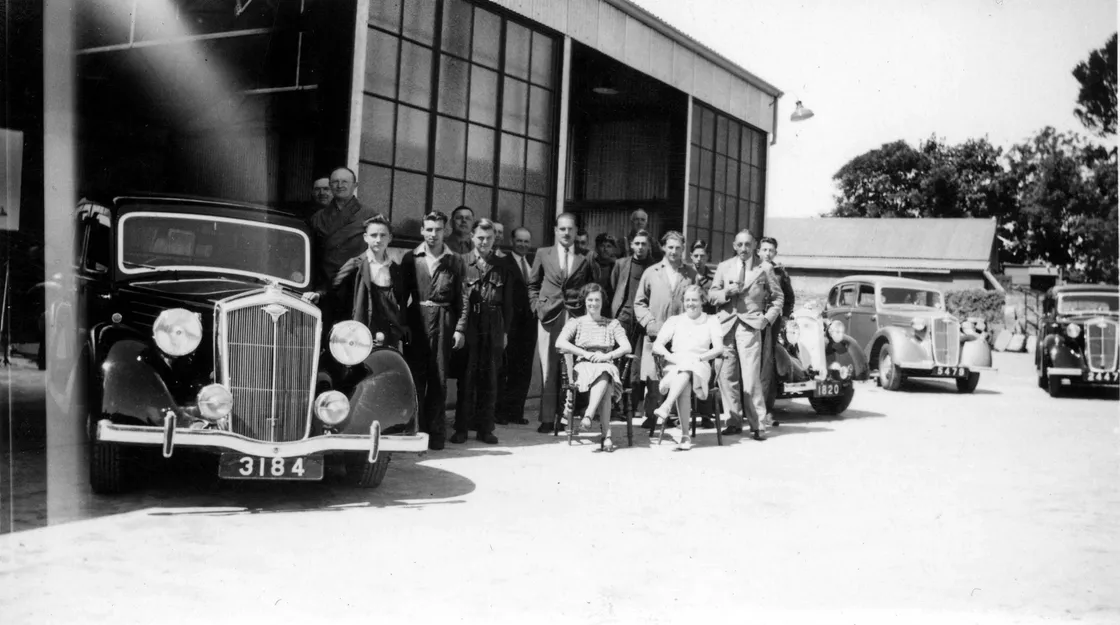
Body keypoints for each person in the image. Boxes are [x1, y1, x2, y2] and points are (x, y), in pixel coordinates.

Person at [708, 230, 784, 440]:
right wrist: (726, 293)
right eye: (740, 245)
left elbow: (778, 298)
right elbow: (711, 295)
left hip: (750, 327)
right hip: (726, 326)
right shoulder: (724, 267)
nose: (744, 249)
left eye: (748, 245)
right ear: (734, 245)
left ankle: (758, 425)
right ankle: (732, 421)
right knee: (727, 376)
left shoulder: (765, 268)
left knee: (751, 378)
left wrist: (766, 319)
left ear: (754, 246)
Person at [402, 211, 468, 451]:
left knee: (439, 378)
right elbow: (401, 296)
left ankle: (436, 432)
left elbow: (463, 297)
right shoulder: (411, 258)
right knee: (416, 378)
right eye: (429, 229)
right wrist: (403, 324)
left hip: (443, 321)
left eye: (438, 229)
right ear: (422, 230)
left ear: (445, 231)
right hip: (417, 321)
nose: (433, 234)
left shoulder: (455, 260)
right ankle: (416, 431)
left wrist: (459, 328)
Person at [528, 212, 595, 434]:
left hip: (574, 317)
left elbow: (592, 287)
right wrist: (537, 307)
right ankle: (547, 418)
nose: (566, 233)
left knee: (571, 368)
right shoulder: (543, 253)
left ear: (576, 232)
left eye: (570, 229)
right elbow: (533, 284)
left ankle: (566, 417)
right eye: (562, 229)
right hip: (549, 316)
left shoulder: (586, 257)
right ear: (556, 231)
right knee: (548, 369)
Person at [303, 215, 409, 349]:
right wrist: (319, 294)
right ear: (365, 237)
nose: (378, 240)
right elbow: (333, 285)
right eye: (373, 235)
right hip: (362, 326)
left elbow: (400, 300)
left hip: (388, 329)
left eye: (383, 235)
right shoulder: (356, 264)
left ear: (390, 238)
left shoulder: (395, 269)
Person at [451, 219, 513, 445]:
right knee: (466, 378)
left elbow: (508, 303)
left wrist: (505, 332)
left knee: (490, 379)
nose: (484, 242)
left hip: (494, 324)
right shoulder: (461, 262)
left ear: (494, 239)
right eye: (480, 237)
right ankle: (461, 428)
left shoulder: (503, 265)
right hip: (470, 324)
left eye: (489, 238)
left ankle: (485, 428)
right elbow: (456, 298)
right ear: (472, 237)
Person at [554, 283, 632, 452]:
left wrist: (607, 356)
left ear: (602, 302)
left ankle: (589, 415)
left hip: (606, 363)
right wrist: (584, 353)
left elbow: (627, 347)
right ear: (585, 301)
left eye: (597, 300)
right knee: (606, 381)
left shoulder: (612, 324)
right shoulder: (577, 322)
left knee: (605, 372)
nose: (593, 304)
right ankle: (606, 436)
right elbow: (560, 342)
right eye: (590, 300)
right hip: (584, 366)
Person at [633, 231, 698, 431]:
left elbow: (696, 302)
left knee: (679, 373)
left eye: (678, 248)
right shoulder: (651, 272)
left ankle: (675, 416)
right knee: (653, 378)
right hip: (656, 333)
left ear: (683, 249)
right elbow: (639, 302)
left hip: (681, 334)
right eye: (670, 247)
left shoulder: (690, 273)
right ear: (663, 248)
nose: (674, 251)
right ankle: (651, 415)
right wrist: (649, 323)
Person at [650, 285, 725, 450]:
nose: (691, 303)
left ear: (702, 301)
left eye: (695, 300)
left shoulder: (711, 320)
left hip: (700, 364)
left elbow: (719, 348)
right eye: (687, 300)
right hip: (675, 364)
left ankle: (667, 405)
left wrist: (699, 358)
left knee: (688, 368)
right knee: (685, 375)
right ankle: (684, 436)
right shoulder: (675, 321)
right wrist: (672, 357)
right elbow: (657, 345)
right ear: (683, 302)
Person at [609, 229, 657, 424]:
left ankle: (633, 406)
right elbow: (614, 287)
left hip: (643, 321)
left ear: (649, 246)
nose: (640, 247)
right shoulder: (621, 264)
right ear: (631, 245)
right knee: (618, 362)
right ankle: (615, 406)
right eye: (637, 243)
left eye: (644, 244)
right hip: (624, 317)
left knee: (638, 367)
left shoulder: (654, 268)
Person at [308, 167, 378, 287]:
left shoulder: (370, 216)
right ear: (330, 185)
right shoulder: (318, 217)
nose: (340, 185)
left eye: (345, 181)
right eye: (335, 182)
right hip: (323, 282)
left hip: (353, 281)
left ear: (355, 185)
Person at [496, 227, 535, 426]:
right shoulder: (504, 263)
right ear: (512, 241)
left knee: (524, 368)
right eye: (519, 241)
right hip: (510, 324)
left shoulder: (533, 263)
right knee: (506, 368)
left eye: (526, 241)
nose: (523, 245)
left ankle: (516, 411)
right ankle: (501, 412)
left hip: (529, 325)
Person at [758, 236, 795, 411]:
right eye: (764, 250)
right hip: (752, 318)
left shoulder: (780, 273)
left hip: (772, 321)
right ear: (758, 251)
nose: (767, 253)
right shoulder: (752, 268)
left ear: (775, 253)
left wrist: (785, 317)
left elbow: (789, 297)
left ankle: (764, 405)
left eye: (771, 250)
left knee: (768, 361)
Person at [688, 239, 718, 428]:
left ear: (707, 257)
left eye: (702, 256)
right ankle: (683, 412)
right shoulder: (686, 275)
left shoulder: (713, 279)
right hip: (688, 328)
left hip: (706, 328)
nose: (699, 259)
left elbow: (715, 302)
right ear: (691, 256)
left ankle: (706, 414)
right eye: (696, 255)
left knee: (706, 371)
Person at [589, 233, 617, 305]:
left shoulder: (617, 267)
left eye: (609, 246)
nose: (605, 249)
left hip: (610, 305)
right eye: (602, 246)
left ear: (613, 249)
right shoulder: (590, 265)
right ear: (596, 248)